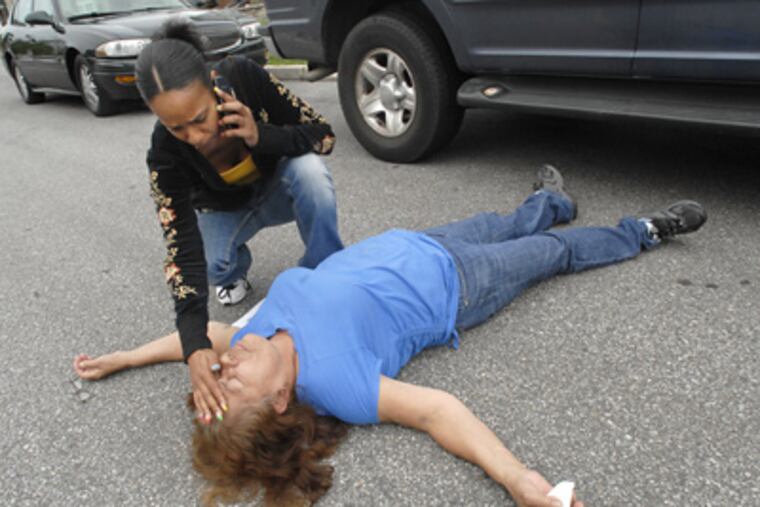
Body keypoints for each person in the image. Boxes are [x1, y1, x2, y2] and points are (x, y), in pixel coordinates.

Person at [74, 167, 707, 507]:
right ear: (278, 402)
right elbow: (438, 411)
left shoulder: (254, 334)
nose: (226, 362)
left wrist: (126, 357)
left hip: (419, 242)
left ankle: (549, 199)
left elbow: (204, 333)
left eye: (219, 370)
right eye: (230, 379)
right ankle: (644, 230)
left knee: (504, 220)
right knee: (551, 253)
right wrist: (518, 480)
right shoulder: (338, 384)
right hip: (459, 287)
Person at [135, 21, 344, 425]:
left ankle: (325, 272)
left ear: (211, 83)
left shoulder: (244, 77)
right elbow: (180, 247)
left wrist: (260, 135)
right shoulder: (164, 154)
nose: (193, 136)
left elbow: (325, 136)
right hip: (225, 212)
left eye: (199, 118)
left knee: (311, 173)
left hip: (279, 192)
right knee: (212, 267)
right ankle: (236, 270)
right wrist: (194, 343)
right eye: (176, 127)